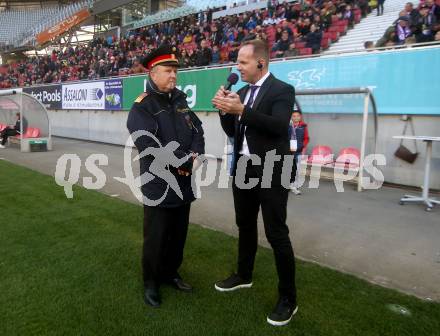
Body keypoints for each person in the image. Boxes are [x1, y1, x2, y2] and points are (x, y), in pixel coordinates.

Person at [212, 39, 298, 327]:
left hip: (275, 168)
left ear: (260, 62)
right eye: (238, 62)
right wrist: (225, 111)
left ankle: (288, 299)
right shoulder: (243, 92)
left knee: (276, 233)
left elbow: (277, 125)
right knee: (245, 224)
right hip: (245, 168)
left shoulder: (282, 90)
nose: (238, 67)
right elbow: (234, 132)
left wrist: (241, 111)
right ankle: (244, 275)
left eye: (243, 62)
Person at [126, 45, 205, 308]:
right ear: (154, 73)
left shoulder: (180, 100)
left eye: (175, 71)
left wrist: (196, 154)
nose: (174, 76)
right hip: (159, 184)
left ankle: (171, 272)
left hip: (183, 183)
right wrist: (186, 161)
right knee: (156, 237)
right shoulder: (142, 106)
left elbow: (198, 130)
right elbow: (149, 145)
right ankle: (151, 282)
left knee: (178, 235)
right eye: (168, 71)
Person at [288, 110, 309, 195]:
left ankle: (295, 187)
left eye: (297, 116)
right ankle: (288, 185)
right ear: (291, 117)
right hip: (288, 151)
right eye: (294, 116)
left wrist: (302, 145)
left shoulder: (303, 127)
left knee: (297, 170)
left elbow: (306, 138)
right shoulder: (288, 126)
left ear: (300, 117)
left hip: (298, 152)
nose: (296, 117)